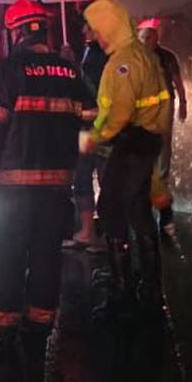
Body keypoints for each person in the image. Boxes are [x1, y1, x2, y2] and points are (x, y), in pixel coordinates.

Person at [0, 0, 91, 365]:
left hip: (12, 188)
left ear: (16, 31)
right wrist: (77, 161)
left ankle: (1, 325)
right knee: (47, 255)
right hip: (56, 188)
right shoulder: (69, 71)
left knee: (6, 253)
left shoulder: (10, 70)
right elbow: (91, 122)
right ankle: (41, 321)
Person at [82, 0, 173, 318]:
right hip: (145, 141)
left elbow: (118, 113)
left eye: (95, 28)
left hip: (131, 142)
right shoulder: (140, 55)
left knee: (110, 211)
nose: (93, 35)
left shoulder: (122, 62)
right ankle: (149, 288)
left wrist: (92, 138)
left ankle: (121, 292)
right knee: (138, 214)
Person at [137, 16, 187, 243]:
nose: (149, 40)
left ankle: (161, 183)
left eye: (152, 36)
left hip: (164, 108)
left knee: (163, 148)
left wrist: (183, 103)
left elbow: (177, 81)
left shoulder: (167, 57)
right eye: (145, 36)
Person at [68, 18, 109, 251]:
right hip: (87, 131)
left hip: (101, 129)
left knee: (105, 179)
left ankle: (110, 234)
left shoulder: (104, 55)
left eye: (88, 25)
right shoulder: (88, 52)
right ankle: (88, 231)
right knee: (82, 177)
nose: (83, 30)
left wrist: (86, 112)